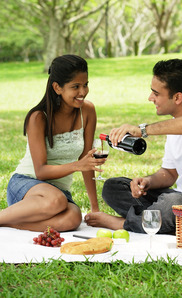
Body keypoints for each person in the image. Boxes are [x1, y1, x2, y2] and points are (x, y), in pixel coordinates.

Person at [84, 58, 182, 234]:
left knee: (172, 203)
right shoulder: (175, 124)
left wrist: (143, 130)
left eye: (156, 93)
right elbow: (169, 174)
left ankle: (125, 224)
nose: (150, 98)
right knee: (114, 187)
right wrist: (147, 182)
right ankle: (154, 221)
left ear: (177, 97)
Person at [0, 54, 105, 232]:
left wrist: (95, 208)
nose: (83, 92)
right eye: (76, 87)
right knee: (56, 200)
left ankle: (9, 224)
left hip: (58, 193)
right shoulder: (38, 117)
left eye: (86, 84)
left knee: (73, 218)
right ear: (57, 87)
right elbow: (40, 172)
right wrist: (78, 165)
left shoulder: (87, 111)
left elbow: (87, 162)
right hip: (27, 185)